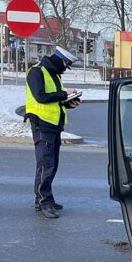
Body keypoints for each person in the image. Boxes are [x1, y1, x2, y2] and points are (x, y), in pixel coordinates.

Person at [25, 46, 81, 219]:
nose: (65, 69)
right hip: (42, 125)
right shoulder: (36, 72)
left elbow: (53, 100)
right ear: (60, 61)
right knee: (46, 165)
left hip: (53, 126)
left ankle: (42, 199)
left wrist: (67, 102)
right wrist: (64, 94)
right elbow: (41, 97)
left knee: (50, 165)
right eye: (66, 65)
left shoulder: (53, 74)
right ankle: (44, 202)